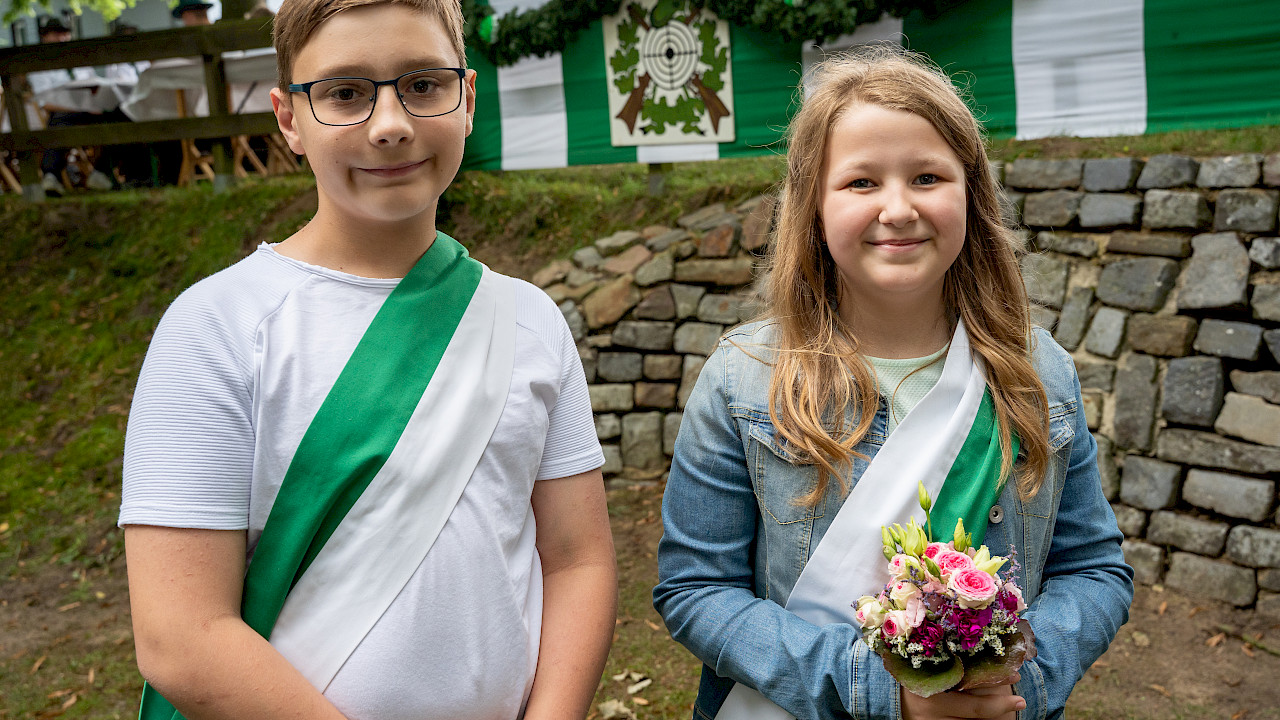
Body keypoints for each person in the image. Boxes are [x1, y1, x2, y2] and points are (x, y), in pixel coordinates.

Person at [120, 0, 616, 718]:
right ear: (289, 118)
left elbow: (578, 560)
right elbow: (180, 635)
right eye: (345, 93)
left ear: (467, 98)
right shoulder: (217, 327)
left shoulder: (528, 321)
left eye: (423, 84)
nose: (390, 125)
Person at [653, 47, 1132, 720]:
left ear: (971, 195)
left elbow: (1093, 569)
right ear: (813, 206)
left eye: (927, 177)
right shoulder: (742, 381)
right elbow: (696, 590)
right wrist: (882, 694)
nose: (899, 208)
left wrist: (1010, 680)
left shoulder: (1039, 373)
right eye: (861, 182)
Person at [26, 16, 116, 194]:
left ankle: (102, 172)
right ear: (45, 37)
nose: (62, 38)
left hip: (88, 110)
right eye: (56, 34)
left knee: (119, 116)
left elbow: (94, 85)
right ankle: (51, 175)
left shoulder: (79, 60)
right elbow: (46, 103)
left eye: (65, 34)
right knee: (60, 122)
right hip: (62, 111)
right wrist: (78, 107)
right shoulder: (39, 64)